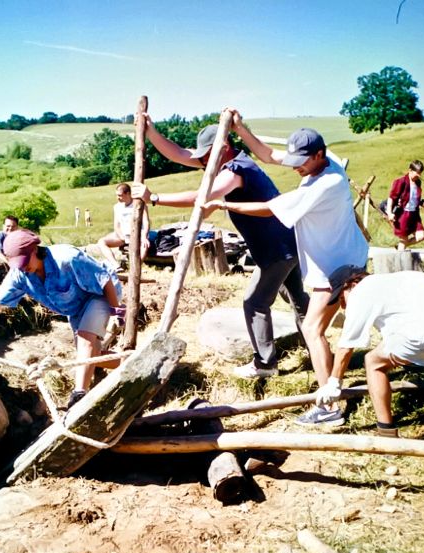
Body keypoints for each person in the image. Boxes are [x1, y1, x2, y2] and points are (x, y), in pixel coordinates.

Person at [203, 114, 368, 426]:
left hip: (336, 266)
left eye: (301, 162)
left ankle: (329, 405)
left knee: (312, 329)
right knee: (353, 318)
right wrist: (240, 129)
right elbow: (268, 154)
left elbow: (272, 208)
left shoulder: (326, 184)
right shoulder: (324, 159)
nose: (294, 167)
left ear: (319, 154)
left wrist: (226, 206)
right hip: (346, 254)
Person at [131, 114, 309, 380]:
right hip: (286, 242)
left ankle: (265, 364)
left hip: (276, 248)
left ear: (223, 146)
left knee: (255, 303)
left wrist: (154, 197)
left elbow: (201, 197)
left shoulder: (237, 170)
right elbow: (180, 154)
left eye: (207, 156)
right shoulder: (222, 159)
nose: (203, 162)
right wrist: (151, 133)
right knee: (298, 301)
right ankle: (316, 348)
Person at [0, 229, 123, 408]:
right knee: (89, 357)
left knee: (85, 339)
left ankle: (79, 394)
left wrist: (116, 311)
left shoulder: (66, 258)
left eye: (25, 261)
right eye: (19, 264)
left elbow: (104, 280)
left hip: (99, 295)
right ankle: (130, 361)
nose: (24, 267)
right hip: (76, 308)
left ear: (35, 250)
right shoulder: (20, 275)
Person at [314, 266, 424, 434]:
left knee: (373, 362)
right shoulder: (402, 279)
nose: (343, 305)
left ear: (352, 284)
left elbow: (346, 345)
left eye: (341, 297)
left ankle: (386, 430)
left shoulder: (361, 292)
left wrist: (333, 384)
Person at [97, 183, 150, 270]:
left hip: (138, 234)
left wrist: (144, 236)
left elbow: (146, 222)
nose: (118, 198)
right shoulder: (117, 207)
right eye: (117, 195)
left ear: (128, 193)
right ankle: (116, 265)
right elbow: (116, 225)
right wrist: (122, 237)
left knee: (144, 245)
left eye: (120, 195)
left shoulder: (140, 204)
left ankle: (136, 267)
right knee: (102, 241)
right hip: (123, 236)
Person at [385, 160, 424, 250]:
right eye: (417, 173)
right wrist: (389, 213)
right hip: (403, 214)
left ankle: (401, 246)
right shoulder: (400, 182)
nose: (419, 175)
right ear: (410, 170)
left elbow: (413, 197)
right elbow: (391, 198)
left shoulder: (418, 183)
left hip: (414, 215)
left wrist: (422, 203)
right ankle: (400, 259)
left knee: (421, 236)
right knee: (404, 240)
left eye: (420, 173)